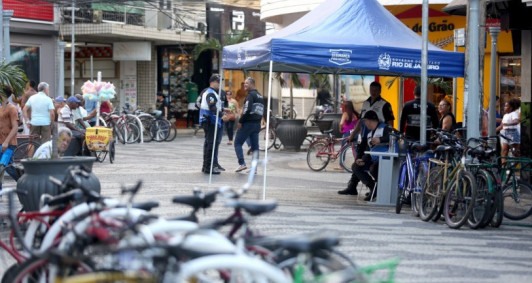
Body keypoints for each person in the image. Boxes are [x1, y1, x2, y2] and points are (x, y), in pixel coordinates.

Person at [340, 110, 391, 200]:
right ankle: (372, 187)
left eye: (365, 121)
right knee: (356, 166)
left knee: (374, 168)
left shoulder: (385, 128)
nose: (365, 124)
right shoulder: (370, 134)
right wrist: (363, 159)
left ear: (370, 121)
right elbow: (369, 149)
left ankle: (380, 189)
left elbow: (393, 137)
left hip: (385, 159)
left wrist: (381, 140)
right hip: (373, 158)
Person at [234, 77, 264, 172]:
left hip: (248, 123)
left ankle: (242, 164)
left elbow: (247, 110)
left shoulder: (250, 95)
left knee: (237, 143)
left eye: (247, 83)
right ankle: (254, 168)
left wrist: (240, 121)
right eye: (244, 83)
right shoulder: (260, 96)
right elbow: (262, 110)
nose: (244, 85)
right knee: (255, 147)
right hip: (256, 125)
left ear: (252, 84)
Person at [200, 74, 224, 174]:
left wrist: (222, 110)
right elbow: (212, 107)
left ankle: (205, 166)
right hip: (211, 121)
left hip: (209, 121)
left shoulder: (211, 92)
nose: (220, 84)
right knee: (211, 145)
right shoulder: (210, 93)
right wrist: (222, 115)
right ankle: (208, 168)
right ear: (213, 82)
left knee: (208, 144)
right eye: (218, 82)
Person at [0, 92, 20, 191]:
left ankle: (22, 182)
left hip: (9, 143)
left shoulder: (12, 108)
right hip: (1, 142)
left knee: (2, 166)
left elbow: (15, 127)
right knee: (7, 167)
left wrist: (6, 142)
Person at [497, 98, 521, 164]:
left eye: (506, 106)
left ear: (511, 108)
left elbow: (516, 121)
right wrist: (492, 132)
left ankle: (515, 165)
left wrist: (508, 124)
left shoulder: (514, 114)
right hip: (504, 134)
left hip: (512, 133)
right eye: (504, 106)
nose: (504, 107)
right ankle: (503, 167)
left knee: (515, 152)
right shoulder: (505, 115)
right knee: (504, 150)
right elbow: (501, 126)